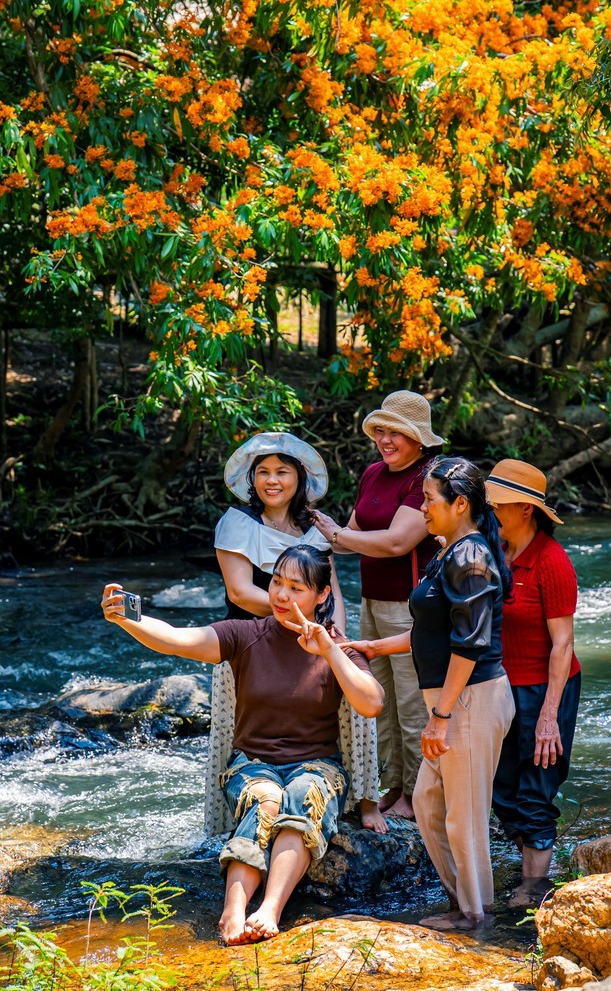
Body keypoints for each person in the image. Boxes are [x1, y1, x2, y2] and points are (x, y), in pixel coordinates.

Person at [101, 546, 384, 946]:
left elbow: (371, 703)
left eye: (296, 588)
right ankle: (233, 911)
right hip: (252, 764)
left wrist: (329, 650)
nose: (281, 595)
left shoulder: (339, 648)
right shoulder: (246, 634)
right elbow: (179, 640)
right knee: (267, 799)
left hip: (318, 765)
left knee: (304, 794)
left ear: (322, 595)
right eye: (277, 582)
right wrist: (128, 617)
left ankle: (270, 910)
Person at [344, 458, 515, 930]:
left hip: (470, 700)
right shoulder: (449, 551)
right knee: (427, 803)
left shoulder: (470, 557)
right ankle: (465, 903)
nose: (421, 508)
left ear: (460, 505)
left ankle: (475, 917)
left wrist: (440, 717)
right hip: (455, 699)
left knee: (463, 817)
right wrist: (373, 646)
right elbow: (431, 629)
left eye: (428, 499)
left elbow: (470, 645)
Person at [211, 432, 382, 833]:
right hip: (254, 647)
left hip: (317, 642)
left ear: (299, 478)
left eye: (282, 472)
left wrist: (336, 640)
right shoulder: (236, 522)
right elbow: (240, 592)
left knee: (354, 715)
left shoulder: (314, 526)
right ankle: (244, 814)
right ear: (251, 479)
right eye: (263, 472)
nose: (272, 480)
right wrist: (301, 617)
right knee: (244, 734)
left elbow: (332, 591)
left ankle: (364, 800)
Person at [313, 390, 443, 826]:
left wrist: (335, 535)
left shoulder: (426, 477)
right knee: (378, 700)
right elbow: (350, 536)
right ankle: (392, 784)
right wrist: (312, 532)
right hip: (372, 601)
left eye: (396, 433)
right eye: (380, 432)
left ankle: (416, 792)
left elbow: (396, 542)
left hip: (411, 605)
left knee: (412, 702)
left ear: (418, 439)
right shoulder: (373, 473)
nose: (385, 440)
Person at [485, 458, 581, 909]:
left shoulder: (551, 561)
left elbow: (563, 645)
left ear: (526, 509)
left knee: (536, 786)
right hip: (499, 686)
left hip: (546, 689)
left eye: (497, 504)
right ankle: (535, 862)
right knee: (500, 788)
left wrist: (549, 717)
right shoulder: (493, 552)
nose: (489, 511)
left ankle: (533, 888)